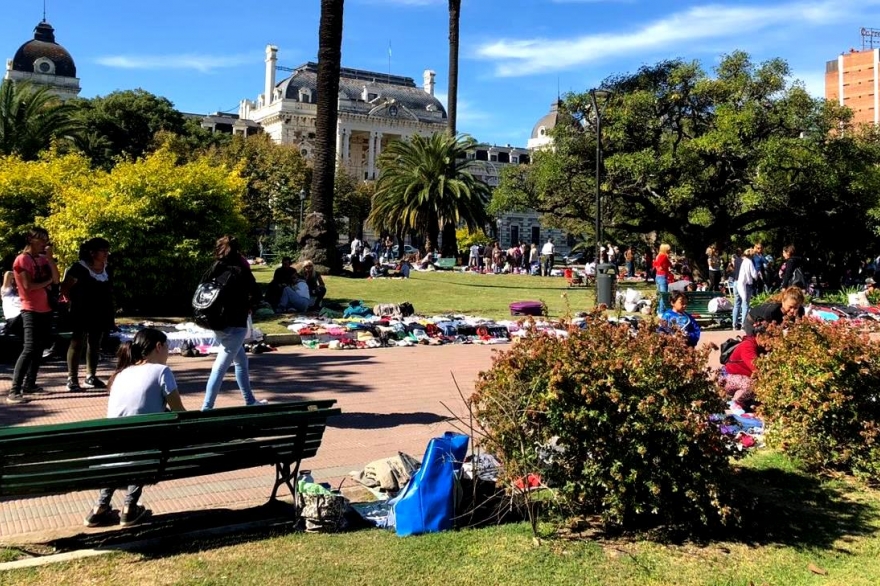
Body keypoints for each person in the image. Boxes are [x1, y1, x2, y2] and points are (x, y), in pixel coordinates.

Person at [82, 328, 186, 528]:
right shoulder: (161, 371)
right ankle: (129, 506)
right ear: (158, 346)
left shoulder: (121, 374)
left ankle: (100, 507)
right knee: (148, 441)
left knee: (131, 441)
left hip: (111, 451)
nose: (168, 352)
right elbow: (180, 412)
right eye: (167, 347)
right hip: (142, 450)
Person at [201, 236, 266, 410]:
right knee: (220, 367)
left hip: (215, 322)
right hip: (236, 322)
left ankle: (250, 399)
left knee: (241, 362)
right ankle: (206, 408)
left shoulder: (215, 267)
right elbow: (257, 294)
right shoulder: (241, 269)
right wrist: (250, 304)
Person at [7, 227, 60, 404]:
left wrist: (51, 260)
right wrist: (48, 282)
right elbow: (29, 286)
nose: (45, 243)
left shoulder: (43, 259)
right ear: (30, 240)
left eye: (46, 239)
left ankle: (30, 384)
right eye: (41, 239)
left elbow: (57, 279)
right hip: (30, 309)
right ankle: (14, 390)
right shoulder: (22, 260)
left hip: (46, 308)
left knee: (39, 348)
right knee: (29, 348)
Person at [61, 238, 115, 392]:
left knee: (95, 343)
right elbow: (65, 287)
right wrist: (71, 302)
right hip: (81, 311)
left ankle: (90, 376)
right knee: (77, 342)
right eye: (103, 250)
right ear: (92, 252)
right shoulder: (79, 268)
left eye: (107, 250)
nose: (106, 253)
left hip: (101, 311)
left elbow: (109, 290)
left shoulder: (108, 269)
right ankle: (72, 378)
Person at [722, 334, 764, 411]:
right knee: (752, 385)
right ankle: (736, 402)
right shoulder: (747, 346)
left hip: (741, 378)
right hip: (730, 378)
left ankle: (747, 401)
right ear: (758, 335)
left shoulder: (760, 347)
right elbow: (755, 367)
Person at [736, 249, 757, 331]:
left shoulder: (744, 261)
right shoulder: (749, 262)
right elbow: (753, 274)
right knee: (745, 305)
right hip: (746, 285)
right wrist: (757, 276)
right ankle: (744, 324)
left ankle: (737, 323)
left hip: (739, 284)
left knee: (739, 304)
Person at [1, 271, 23, 337]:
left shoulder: (24, 295)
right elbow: (8, 274)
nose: (17, 286)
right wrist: (23, 276)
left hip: (25, 319)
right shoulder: (6, 293)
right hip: (13, 320)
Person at [653, 244, 672, 315]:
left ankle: (658, 310)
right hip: (662, 276)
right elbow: (659, 264)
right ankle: (661, 311)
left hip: (658, 276)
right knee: (664, 295)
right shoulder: (663, 256)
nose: (669, 251)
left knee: (660, 294)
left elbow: (654, 264)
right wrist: (661, 267)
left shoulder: (658, 255)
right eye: (668, 250)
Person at [728, 248, 745, 331]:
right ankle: (743, 324)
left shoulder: (735, 261)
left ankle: (734, 324)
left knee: (737, 304)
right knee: (744, 303)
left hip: (735, 282)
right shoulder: (743, 261)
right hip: (742, 283)